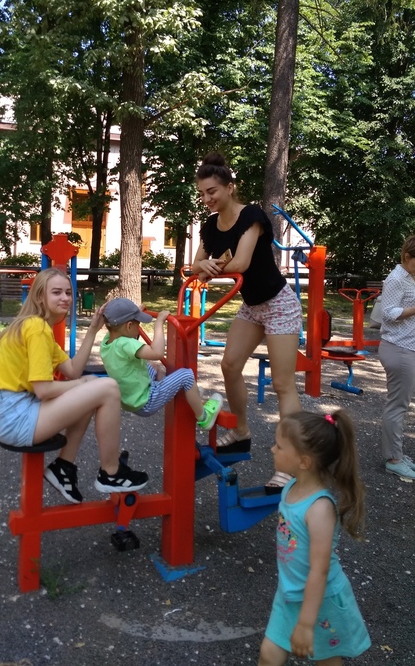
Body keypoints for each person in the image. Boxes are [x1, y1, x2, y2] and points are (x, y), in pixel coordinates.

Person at [0, 267, 149, 504]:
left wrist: (93, 330)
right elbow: (44, 390)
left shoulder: (38, 327)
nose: (65, 298)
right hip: (13, 416)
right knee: (108, 387)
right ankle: (111, 473)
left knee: (91, 390)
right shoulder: (36, 328)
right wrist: (84, 383)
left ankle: (63, 467)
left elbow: (73, 370)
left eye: (68, 292)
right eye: (56, 292)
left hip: (10, 410)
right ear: (40, 297)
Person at [192, 151, 303, 493]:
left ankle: (290, 464)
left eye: (212, 191)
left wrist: (209, 268)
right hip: (253, 306)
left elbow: (240, 262)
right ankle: (241, 432)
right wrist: (202, 266)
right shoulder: (210, 226)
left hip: (279, 304)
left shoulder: (252, 216)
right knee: (229, 365)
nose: (207, 198)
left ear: (229, 187)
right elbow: (195, 264)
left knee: (283, 384)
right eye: (202, 193)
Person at [258, 410, 371, 666]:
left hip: (321, 602)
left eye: (279, 446)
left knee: (326, 661)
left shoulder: (319, 509)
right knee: (269, 655)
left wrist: (306, 624)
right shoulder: (290, 486)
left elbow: (319, 571)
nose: (272, 449)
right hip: (289, 594)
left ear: (304, 462)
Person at [99, 297, 223, 427]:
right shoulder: (126, 343)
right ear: (129, 326)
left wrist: (135, 314)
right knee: (186, 375)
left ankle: (172, 391)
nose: (138, 326)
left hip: (129, 400)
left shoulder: (107, 342)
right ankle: (204, 417)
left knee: (153, 366)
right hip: (146, 401)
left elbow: (124, 332)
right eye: (137, 324)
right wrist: (159, 323)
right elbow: (157, 352)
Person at [377, 235, 415, 480]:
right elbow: (388, 313)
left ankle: (397, 452)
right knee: (397, 405)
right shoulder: (396, 279)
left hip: (407, 347)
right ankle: (394, 459)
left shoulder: (410, 277)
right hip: (398, 348)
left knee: (402, 404)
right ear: (407, 256)